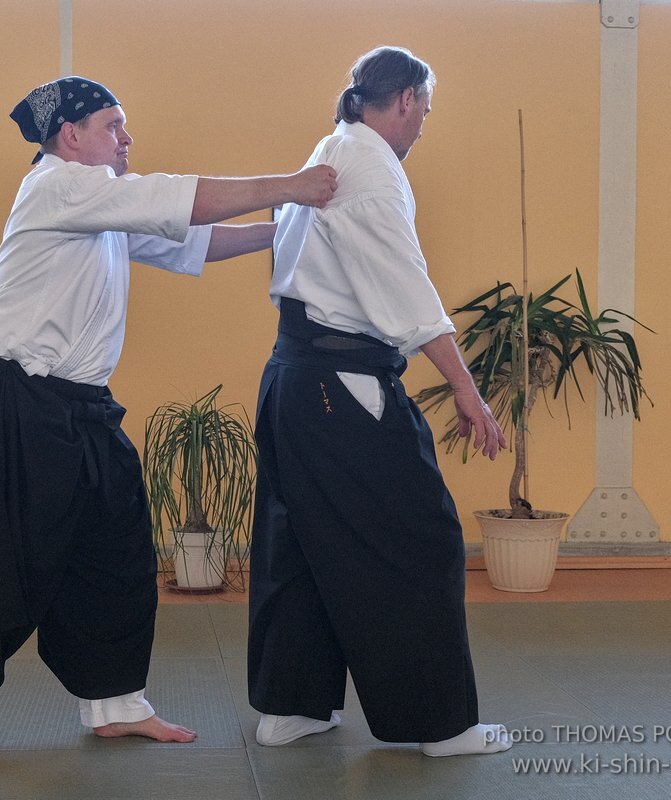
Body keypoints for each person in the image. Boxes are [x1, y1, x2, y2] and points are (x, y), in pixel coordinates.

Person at [0, 75, 338, 762]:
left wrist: (291, 227)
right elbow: (177, 199)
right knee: (4, 562)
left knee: (116, 554)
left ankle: (113, 704)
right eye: (114, 125)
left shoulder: (97, 204)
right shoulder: (57, 186)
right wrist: (292, 186)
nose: (127, 138)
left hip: (81, 409)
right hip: (17, 404)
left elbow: (191, 241)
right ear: (70, 136)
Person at [247, 47, 513, 757]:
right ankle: (442, 725)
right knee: (420, 538)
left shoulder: (332, 148)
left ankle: (291, 708)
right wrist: (465, 388)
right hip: (342, 386)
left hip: (291, 379)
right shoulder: (370, 170)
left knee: (299, 540)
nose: (424, 123)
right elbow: (406, 290)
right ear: (401, 101)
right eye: (423, 109)